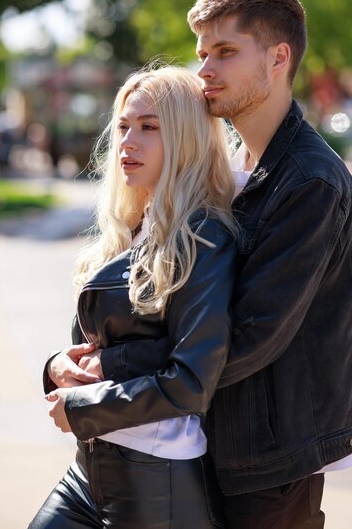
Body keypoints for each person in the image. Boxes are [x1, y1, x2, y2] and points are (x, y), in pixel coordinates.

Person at [48, 0, 352, 528]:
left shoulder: (311, 182)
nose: (205, 71)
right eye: (201, 55)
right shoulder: (231, 169)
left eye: (225, 52)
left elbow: (248, 336)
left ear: (278, 58)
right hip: (205, 441)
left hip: (268, 461)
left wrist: (111, 368)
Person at [29, 66, 239, 529]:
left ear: (184, 139)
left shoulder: (203, 237)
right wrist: (56, 365)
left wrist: (84, 407)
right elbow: (94, 347)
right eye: (123, 126)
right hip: (89, 470)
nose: (128, 141)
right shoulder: (130, 230)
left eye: (149, 128)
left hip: (155, 484)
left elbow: (190, 381)